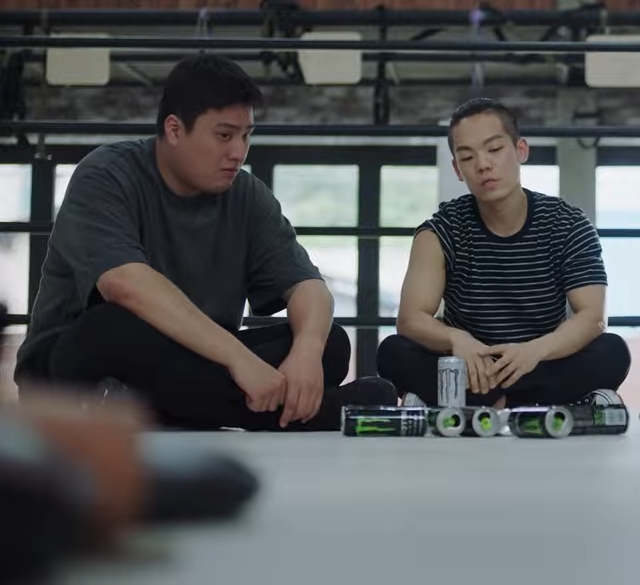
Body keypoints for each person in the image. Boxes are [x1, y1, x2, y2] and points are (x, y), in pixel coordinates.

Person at [13, 54, 396, 431]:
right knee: (109, 326)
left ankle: (179, 410)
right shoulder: (107, 174)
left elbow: (308, 287)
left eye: (246, 136)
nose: (238, 152)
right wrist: (239, 360)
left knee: (329, 341)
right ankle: (319, 412)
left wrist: (307, 353)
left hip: (191, 366)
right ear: (175, 129)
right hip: (78, 374)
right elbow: (124, 284)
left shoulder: (247, 195)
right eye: (224, 135)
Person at [377, 98, 631, 409]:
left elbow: (592, 317)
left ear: (521, 150)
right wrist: (457, 340)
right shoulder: (439, 232)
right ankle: (532, 403)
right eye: (467, 157)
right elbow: (410, 319)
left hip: (539, 361)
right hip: (471, 365)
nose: (483, 165)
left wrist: (535, 351)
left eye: (494, 150)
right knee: (392, 352)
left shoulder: (568, 224)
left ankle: (472, 401)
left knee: (612, 352)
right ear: (458, 169)